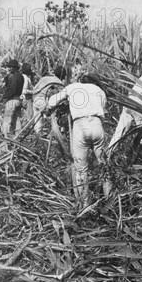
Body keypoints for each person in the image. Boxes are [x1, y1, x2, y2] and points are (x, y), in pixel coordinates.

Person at [47, 71, 111, 210]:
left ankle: (84, 205)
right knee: (104, 165)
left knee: (81, 168)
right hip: (97, 125)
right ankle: (109, 200)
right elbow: (103, 109)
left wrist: (50, 108)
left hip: (80, 126)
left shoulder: (72, 87)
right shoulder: (99, 90)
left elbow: (52, 101)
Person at [32, 65, 67, 134]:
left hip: (36, 99)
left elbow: (34, 89)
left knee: (37, 120)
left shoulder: (44, 78)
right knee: (56, 115)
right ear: (62, 76)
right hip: (44, 100)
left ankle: (38, 134)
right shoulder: (59, 82)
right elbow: (60, 96)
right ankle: (57, 132)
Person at [1, 59, 25, 137]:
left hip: (12, 100)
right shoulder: (21, 76)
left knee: (7, 119)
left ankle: (6, 136)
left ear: (14, 68)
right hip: (18, 100)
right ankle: (18, 136)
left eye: (10, 67)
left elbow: (12, 90)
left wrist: (4, 97)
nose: (9, 69)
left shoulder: (13, 77)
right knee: (17, 119)